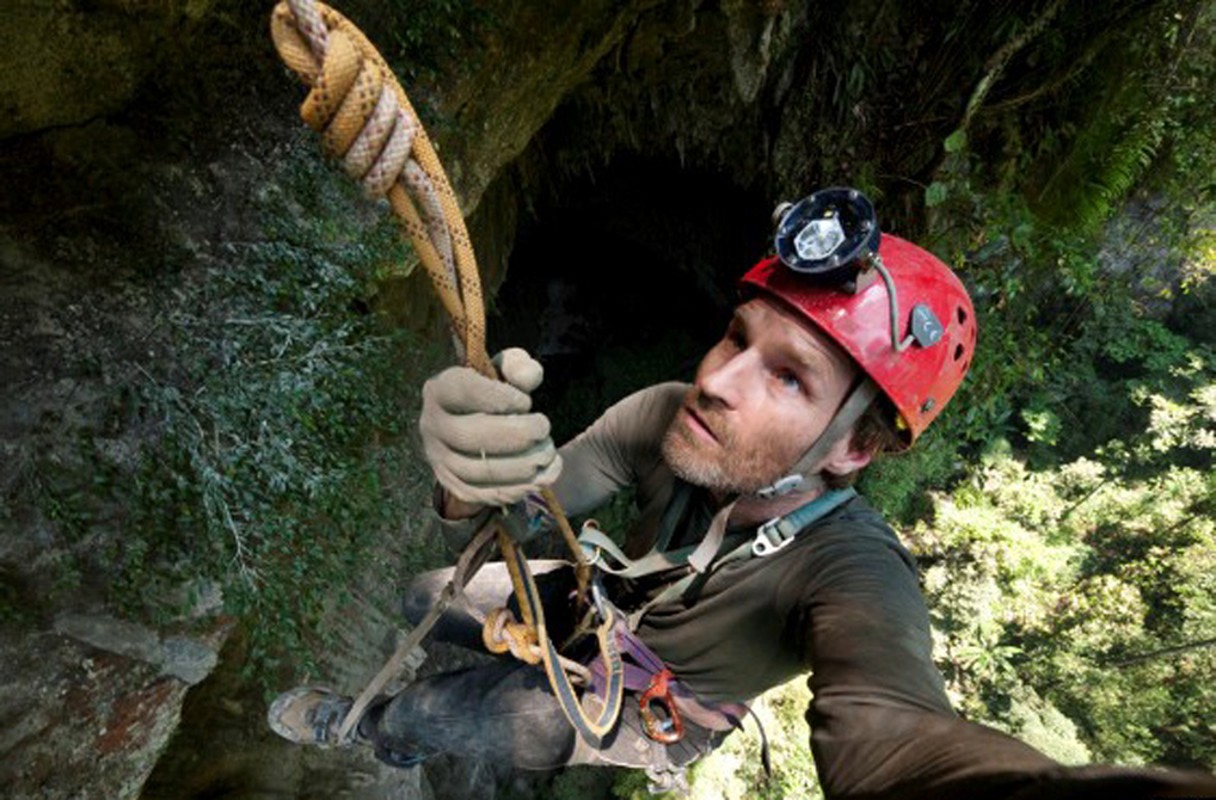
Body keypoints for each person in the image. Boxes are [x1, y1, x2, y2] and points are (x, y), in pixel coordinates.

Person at [269, 189, 1216, 798]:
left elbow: (892, 727)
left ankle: (379, 733)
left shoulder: (852, 574)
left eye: (791, 378)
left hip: (646, 704)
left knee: (450, 715)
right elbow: (521, 516)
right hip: (597, 606)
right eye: (736, 337)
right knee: (420, 593)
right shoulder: (665, 416)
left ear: (856, 447)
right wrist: (464, 477)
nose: (721, 379)